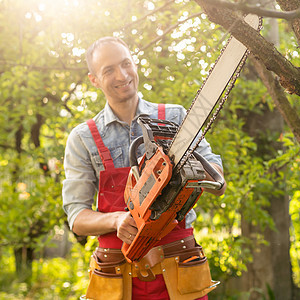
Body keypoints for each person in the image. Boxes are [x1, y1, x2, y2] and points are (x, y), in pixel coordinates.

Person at [62, 36, 226, 300]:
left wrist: (181, 167)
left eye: (126, 63)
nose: (122, 75)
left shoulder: (174, 118)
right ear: (93, 79)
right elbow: (77, 218)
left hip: (179, 270)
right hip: (116, 276)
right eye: (109, 70)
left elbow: (218, 182)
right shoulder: (83, 138)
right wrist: (115, 219)